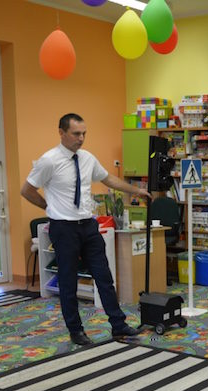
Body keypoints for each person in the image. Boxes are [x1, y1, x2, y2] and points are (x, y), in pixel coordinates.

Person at [21, 113, 151, 346]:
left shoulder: (87, 158)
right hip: (63, 228)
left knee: (104, 276)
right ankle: (76, 330)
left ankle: (118, 325)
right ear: (61, 133)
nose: (81, 138)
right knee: (68, 282)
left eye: (84, 134)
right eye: (76, 134)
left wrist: (136, 190)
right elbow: (27, 190)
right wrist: (48, 207)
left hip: (88, 225)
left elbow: (108, 179)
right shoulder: (49, 160)